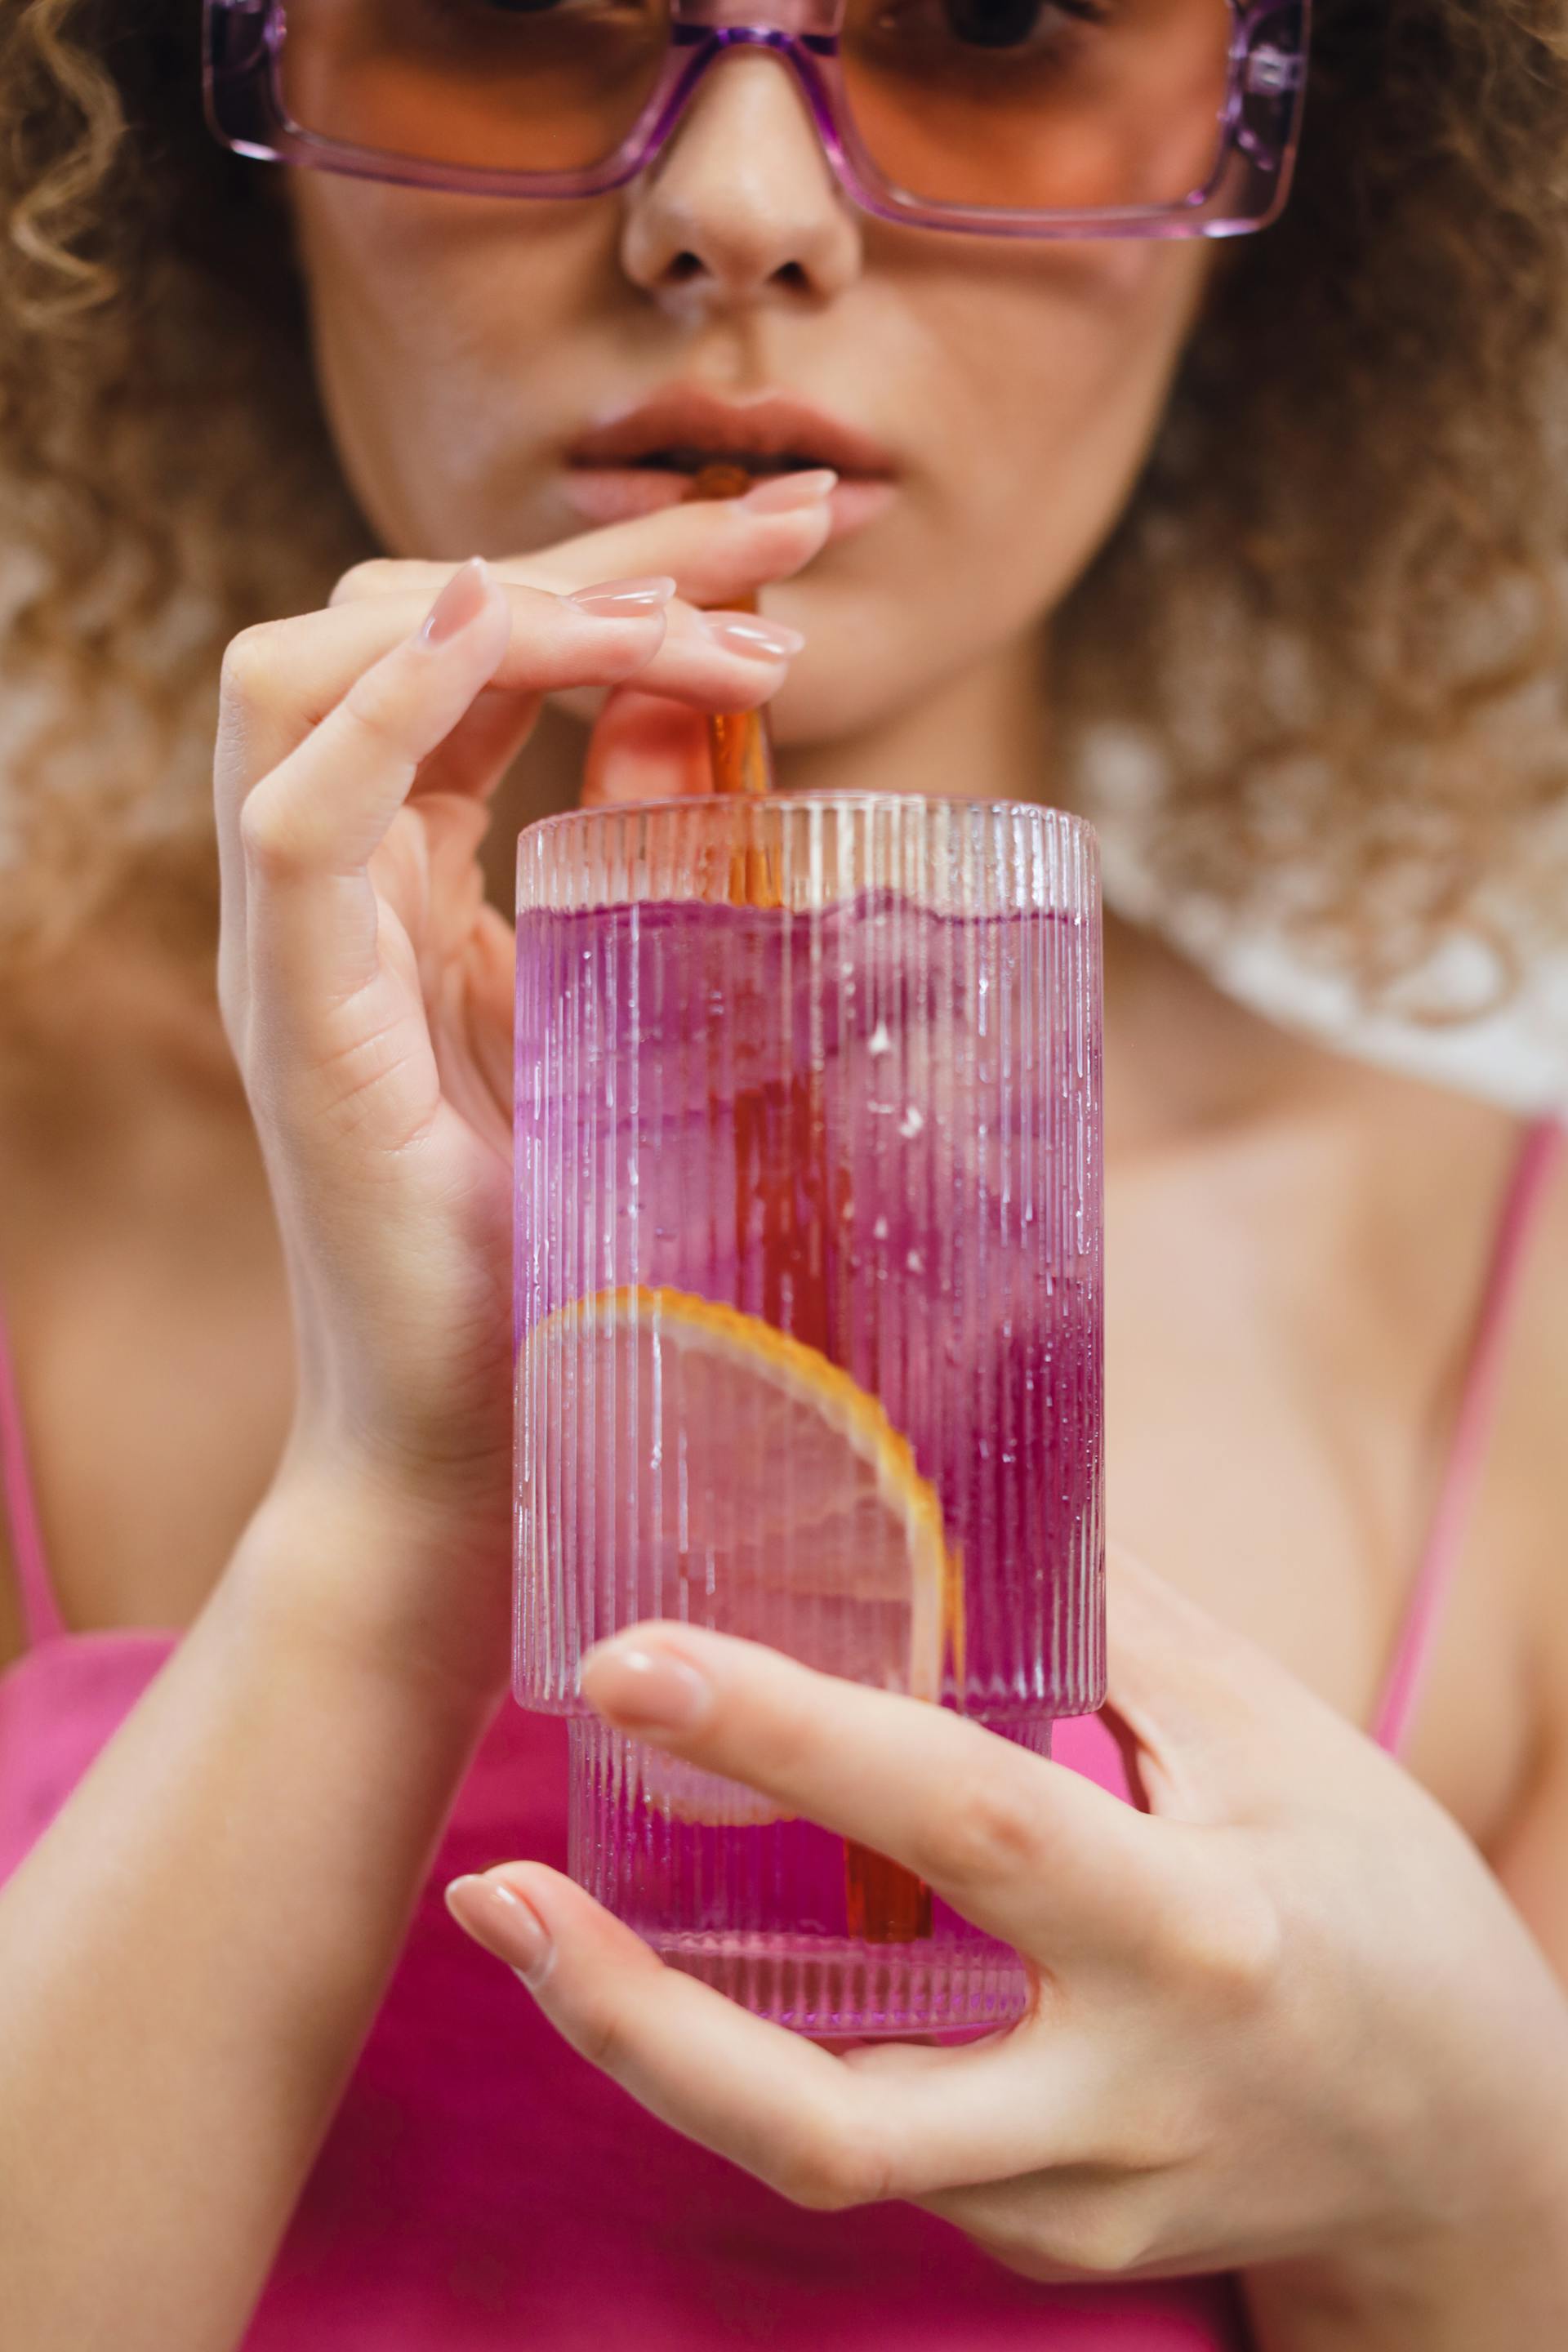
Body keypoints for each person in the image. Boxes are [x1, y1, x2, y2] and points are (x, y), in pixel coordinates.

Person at [1, 2, 1566, 2346]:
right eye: (507, 14)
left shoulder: (1515, 1318)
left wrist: (1475, 2204)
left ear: (1281, 148)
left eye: (1001, 26)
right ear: (238, 132)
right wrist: (405, 1487)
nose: (741, 205)